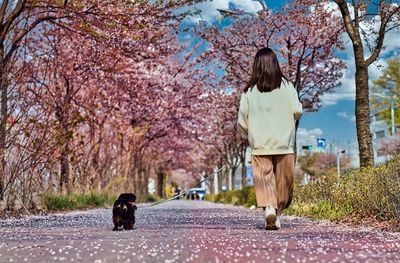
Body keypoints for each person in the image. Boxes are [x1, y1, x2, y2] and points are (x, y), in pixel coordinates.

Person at [237, 47, 302, 230]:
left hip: (260, 144)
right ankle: (276, 213)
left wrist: (246, 135)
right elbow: (297, 111)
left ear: (256, 65)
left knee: (264, 179)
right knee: (283, 182)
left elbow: (242, 119)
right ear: (275, 63)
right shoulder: (287, 86)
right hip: (283, 143)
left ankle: (269, 209)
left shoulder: (249, 91)